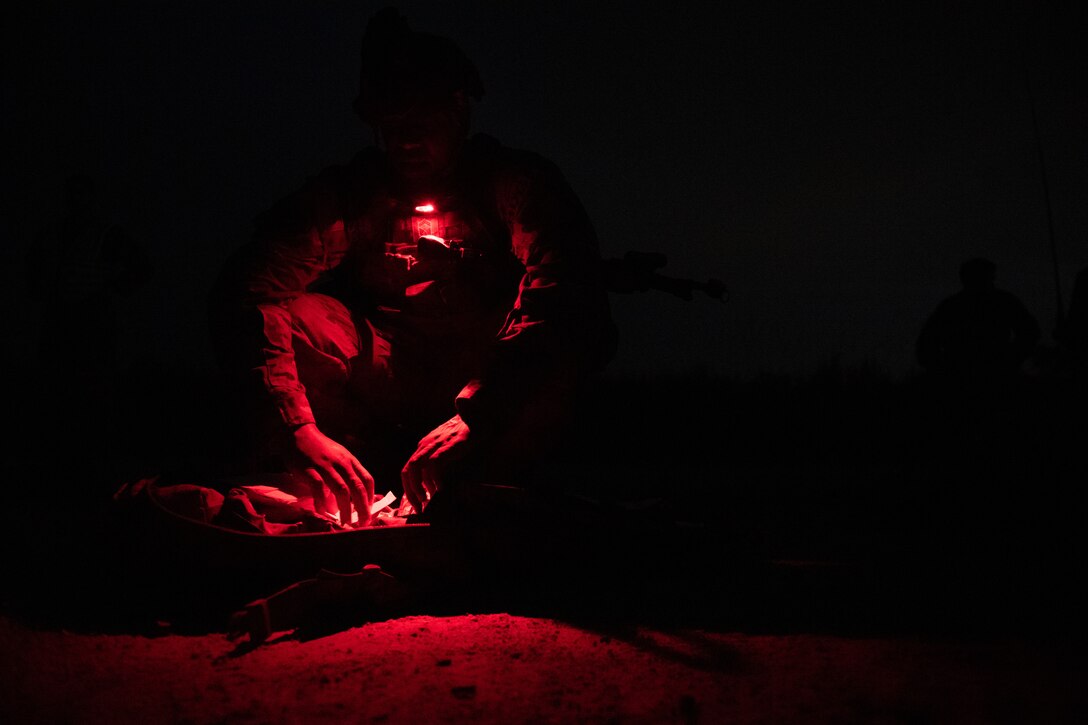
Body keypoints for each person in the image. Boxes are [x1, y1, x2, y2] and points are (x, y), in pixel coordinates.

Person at [208, 8, 618, 528]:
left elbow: (566, 290)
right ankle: (347, 473)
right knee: (294, 319)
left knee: (562, 344)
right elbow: (248, 289)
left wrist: (482, 410)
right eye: (392, 126)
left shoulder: (513, 187)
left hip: (489, 381)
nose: (406, 141)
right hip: (385, 380)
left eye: (423, 123)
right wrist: (294, 429)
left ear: (459, 114)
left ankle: (493, 485)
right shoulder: (352, 197)